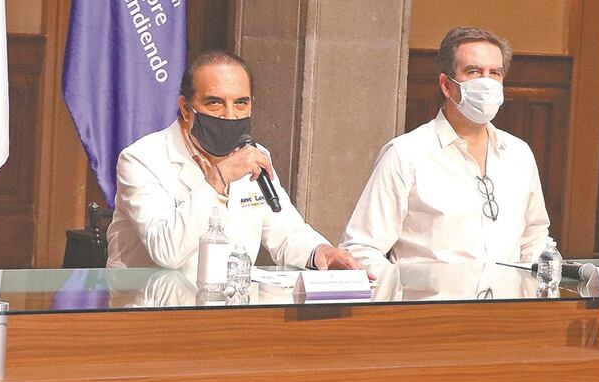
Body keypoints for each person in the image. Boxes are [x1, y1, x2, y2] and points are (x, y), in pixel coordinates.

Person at [106, 50, 361, 273]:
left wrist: (320, 251)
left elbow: (286, 233)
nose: (230, 116)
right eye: (215, 103)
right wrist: (219, 177)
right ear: (185, 108)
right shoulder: (141, 159)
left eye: (240, 103)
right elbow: (166, 250)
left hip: (230, 312)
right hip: (149, 313)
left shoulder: (255, 156)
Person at [340, 27, 551, 269]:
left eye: (494, 73)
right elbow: (362, 248)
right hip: (429, 304)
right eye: (473, 71)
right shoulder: (406, 154)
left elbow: (534, 237)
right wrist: (400, 294)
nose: (486, 82)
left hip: (508, 303)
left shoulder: (518, 154)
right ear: (446, 85)